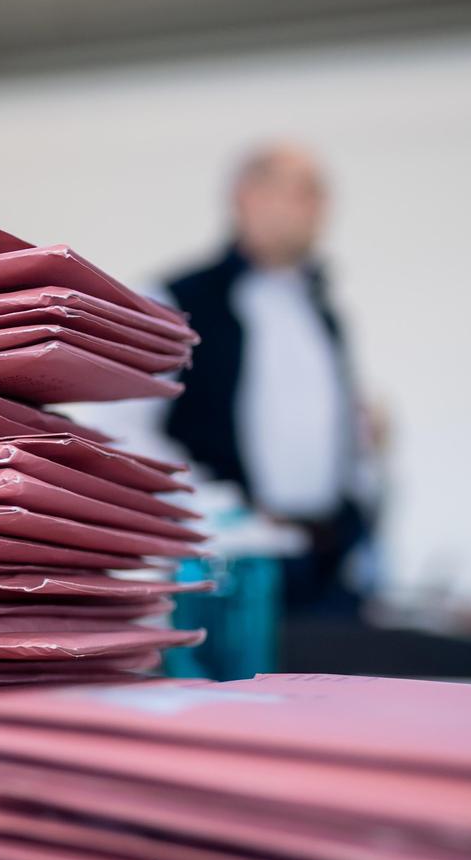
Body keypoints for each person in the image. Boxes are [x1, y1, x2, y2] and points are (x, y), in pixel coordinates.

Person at [160, 143, 379, 614]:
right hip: (230, 564)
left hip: (324, 564)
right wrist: (216, 513)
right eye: (304, 191)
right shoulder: (179, 299)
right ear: (248, 197)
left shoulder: (322, 311)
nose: (320, 207)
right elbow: (132, 426)